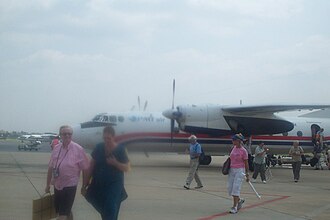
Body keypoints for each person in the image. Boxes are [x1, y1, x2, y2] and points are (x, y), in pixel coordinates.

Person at [82, 125, 131, 220]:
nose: (106, 140)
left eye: (109, 138)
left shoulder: (120, 149)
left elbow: (127, 168)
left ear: (113, 137)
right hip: (98, 184)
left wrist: (115, 163)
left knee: (110, 206)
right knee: (102, 205)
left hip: (114, 185)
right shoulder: (99, 147)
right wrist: (84, 185)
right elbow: (91, 166)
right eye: (105, 138)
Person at [45, 125, 89, 220]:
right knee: (63, 211)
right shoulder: (56, 149)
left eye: (69, 134)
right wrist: (47, 185)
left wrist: (84, 186)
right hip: (57, 184)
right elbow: (51, 168)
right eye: (64, 134)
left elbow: (85, 169)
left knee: (61, 216)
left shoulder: (78, 149)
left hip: (70, 185)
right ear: (60, 135)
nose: (67, 136)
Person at [227, 133, 249, 214]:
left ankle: (234, 206)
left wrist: (247, 174)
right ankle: (239, 200)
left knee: (236, 188)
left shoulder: (244, 151)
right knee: (230, 188)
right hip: (232, 169)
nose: (232, 141)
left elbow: (246, 163)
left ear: (239, 141)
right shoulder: (233, 148)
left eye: (234, 140)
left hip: (240, 170)